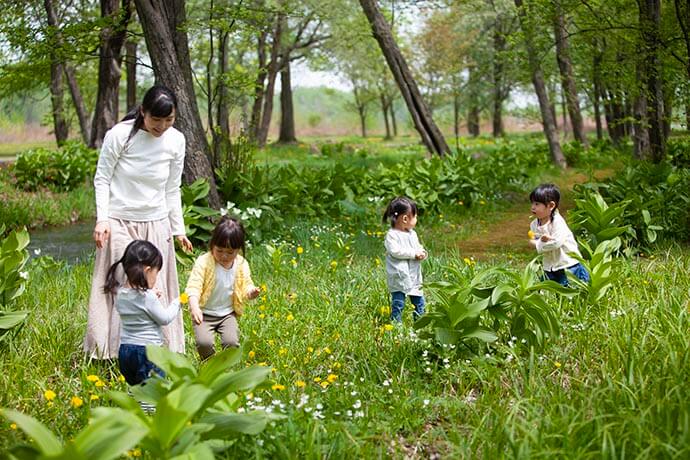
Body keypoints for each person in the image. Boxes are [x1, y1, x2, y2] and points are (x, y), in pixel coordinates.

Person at [84, 85, 193, 359]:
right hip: (120, 221)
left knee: (154, 287)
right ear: (143, 112)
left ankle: (160, 352)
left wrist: (178, 229)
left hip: (156, 222)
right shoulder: (120, 135)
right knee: (123, 283)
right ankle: (111, 351)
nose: (162, 127)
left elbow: (172, 188)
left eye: (169, 120)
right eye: (157, 120)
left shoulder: (176, 140)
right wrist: (102, 219)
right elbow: (102, 178)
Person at [185, 216, 260, 360]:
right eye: (219, 251)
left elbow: (245, 286)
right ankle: (210, 366)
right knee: (204, 343)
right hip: (204, 314)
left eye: (230, 252)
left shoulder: (241, 265)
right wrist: (194, 307)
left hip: (227, 314)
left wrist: (251, 292)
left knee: (231, 343)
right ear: (212, 244)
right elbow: (193, 286)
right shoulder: (204, 262)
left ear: (238, 250)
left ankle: (226, 368)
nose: (224, 256)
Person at [528, 183, 590, 286]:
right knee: (546, 288)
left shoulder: (558, 222)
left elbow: (556, 243)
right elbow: (537, 238)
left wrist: (538, 244)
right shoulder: (534, 224)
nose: (533, 207)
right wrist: (539, 241)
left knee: (569, 288)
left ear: (551, 206)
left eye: (537, 204)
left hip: (567, 263)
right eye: (532, 203)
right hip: (550, 264)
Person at [383, 196, 428, 323]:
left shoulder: (412, 234)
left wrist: (422, 253)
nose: (416, 219)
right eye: (415, 216)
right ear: (405, 218)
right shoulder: (392, 236)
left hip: (414, 274)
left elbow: (418, 247)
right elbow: (396, 251)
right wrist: (414, 254)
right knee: (399, 302)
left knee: (418, 301)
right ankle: (396, 324)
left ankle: (420, 323)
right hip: (399, 275)